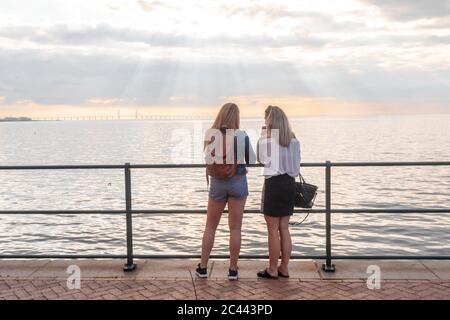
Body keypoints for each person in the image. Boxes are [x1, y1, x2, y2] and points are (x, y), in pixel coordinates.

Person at [196, 102, 255, 280]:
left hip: (217, 184)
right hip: (237, 182)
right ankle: (233, 270)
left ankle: (203, 267)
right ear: (236, 117)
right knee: (235, 229)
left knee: (210, 227)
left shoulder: (211, 134)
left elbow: (208, 159)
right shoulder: (241, 135)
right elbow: (251, 160)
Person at [256, 105, 301, 279]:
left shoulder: (267, 140)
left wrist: (262, 135)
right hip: (289, 184)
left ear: (270, 121)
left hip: (274, 185)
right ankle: (285, 268)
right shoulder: (294, 140)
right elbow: (296, 165)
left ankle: (272, 269)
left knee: (272, 230)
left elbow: (260, 160)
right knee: (284, 228)